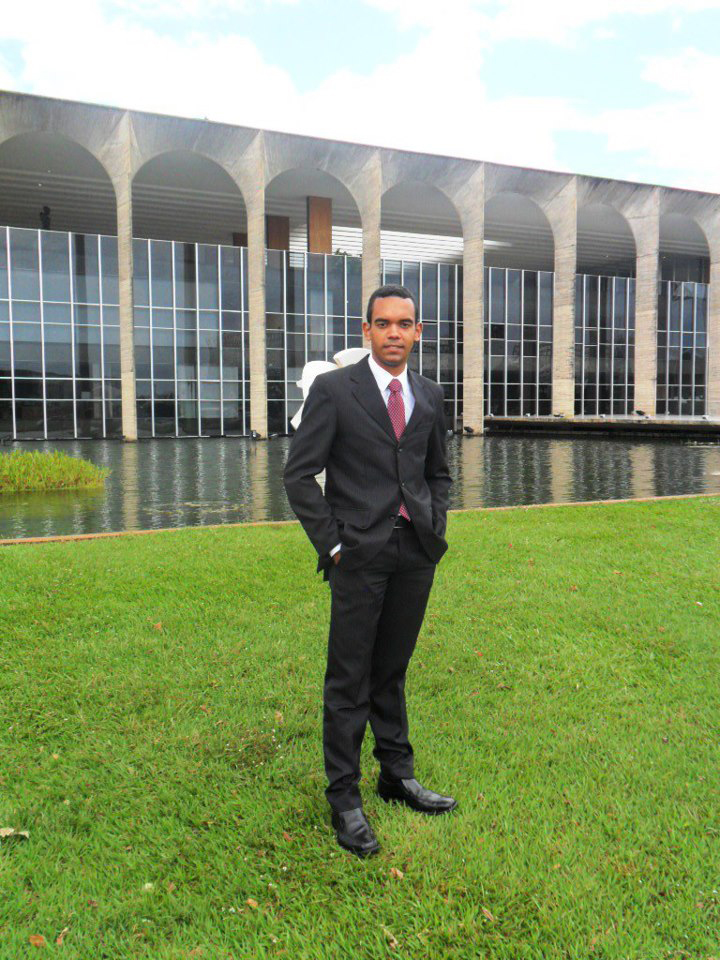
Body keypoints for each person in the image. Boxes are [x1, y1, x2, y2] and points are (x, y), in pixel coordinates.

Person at [283, 284, 456, 857]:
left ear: (418, 332)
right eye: (383, 324)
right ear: (367, 331)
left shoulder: (428, 395)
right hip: (358, 554)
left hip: (415, 552)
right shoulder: (336, 391)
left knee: (392, 668)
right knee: (349, 678)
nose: (394, 333)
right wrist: (334, 546)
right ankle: (344, 798)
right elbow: (298, 475)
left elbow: (437, 472)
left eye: (404, 324)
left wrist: (435, 526)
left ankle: (396, 775)